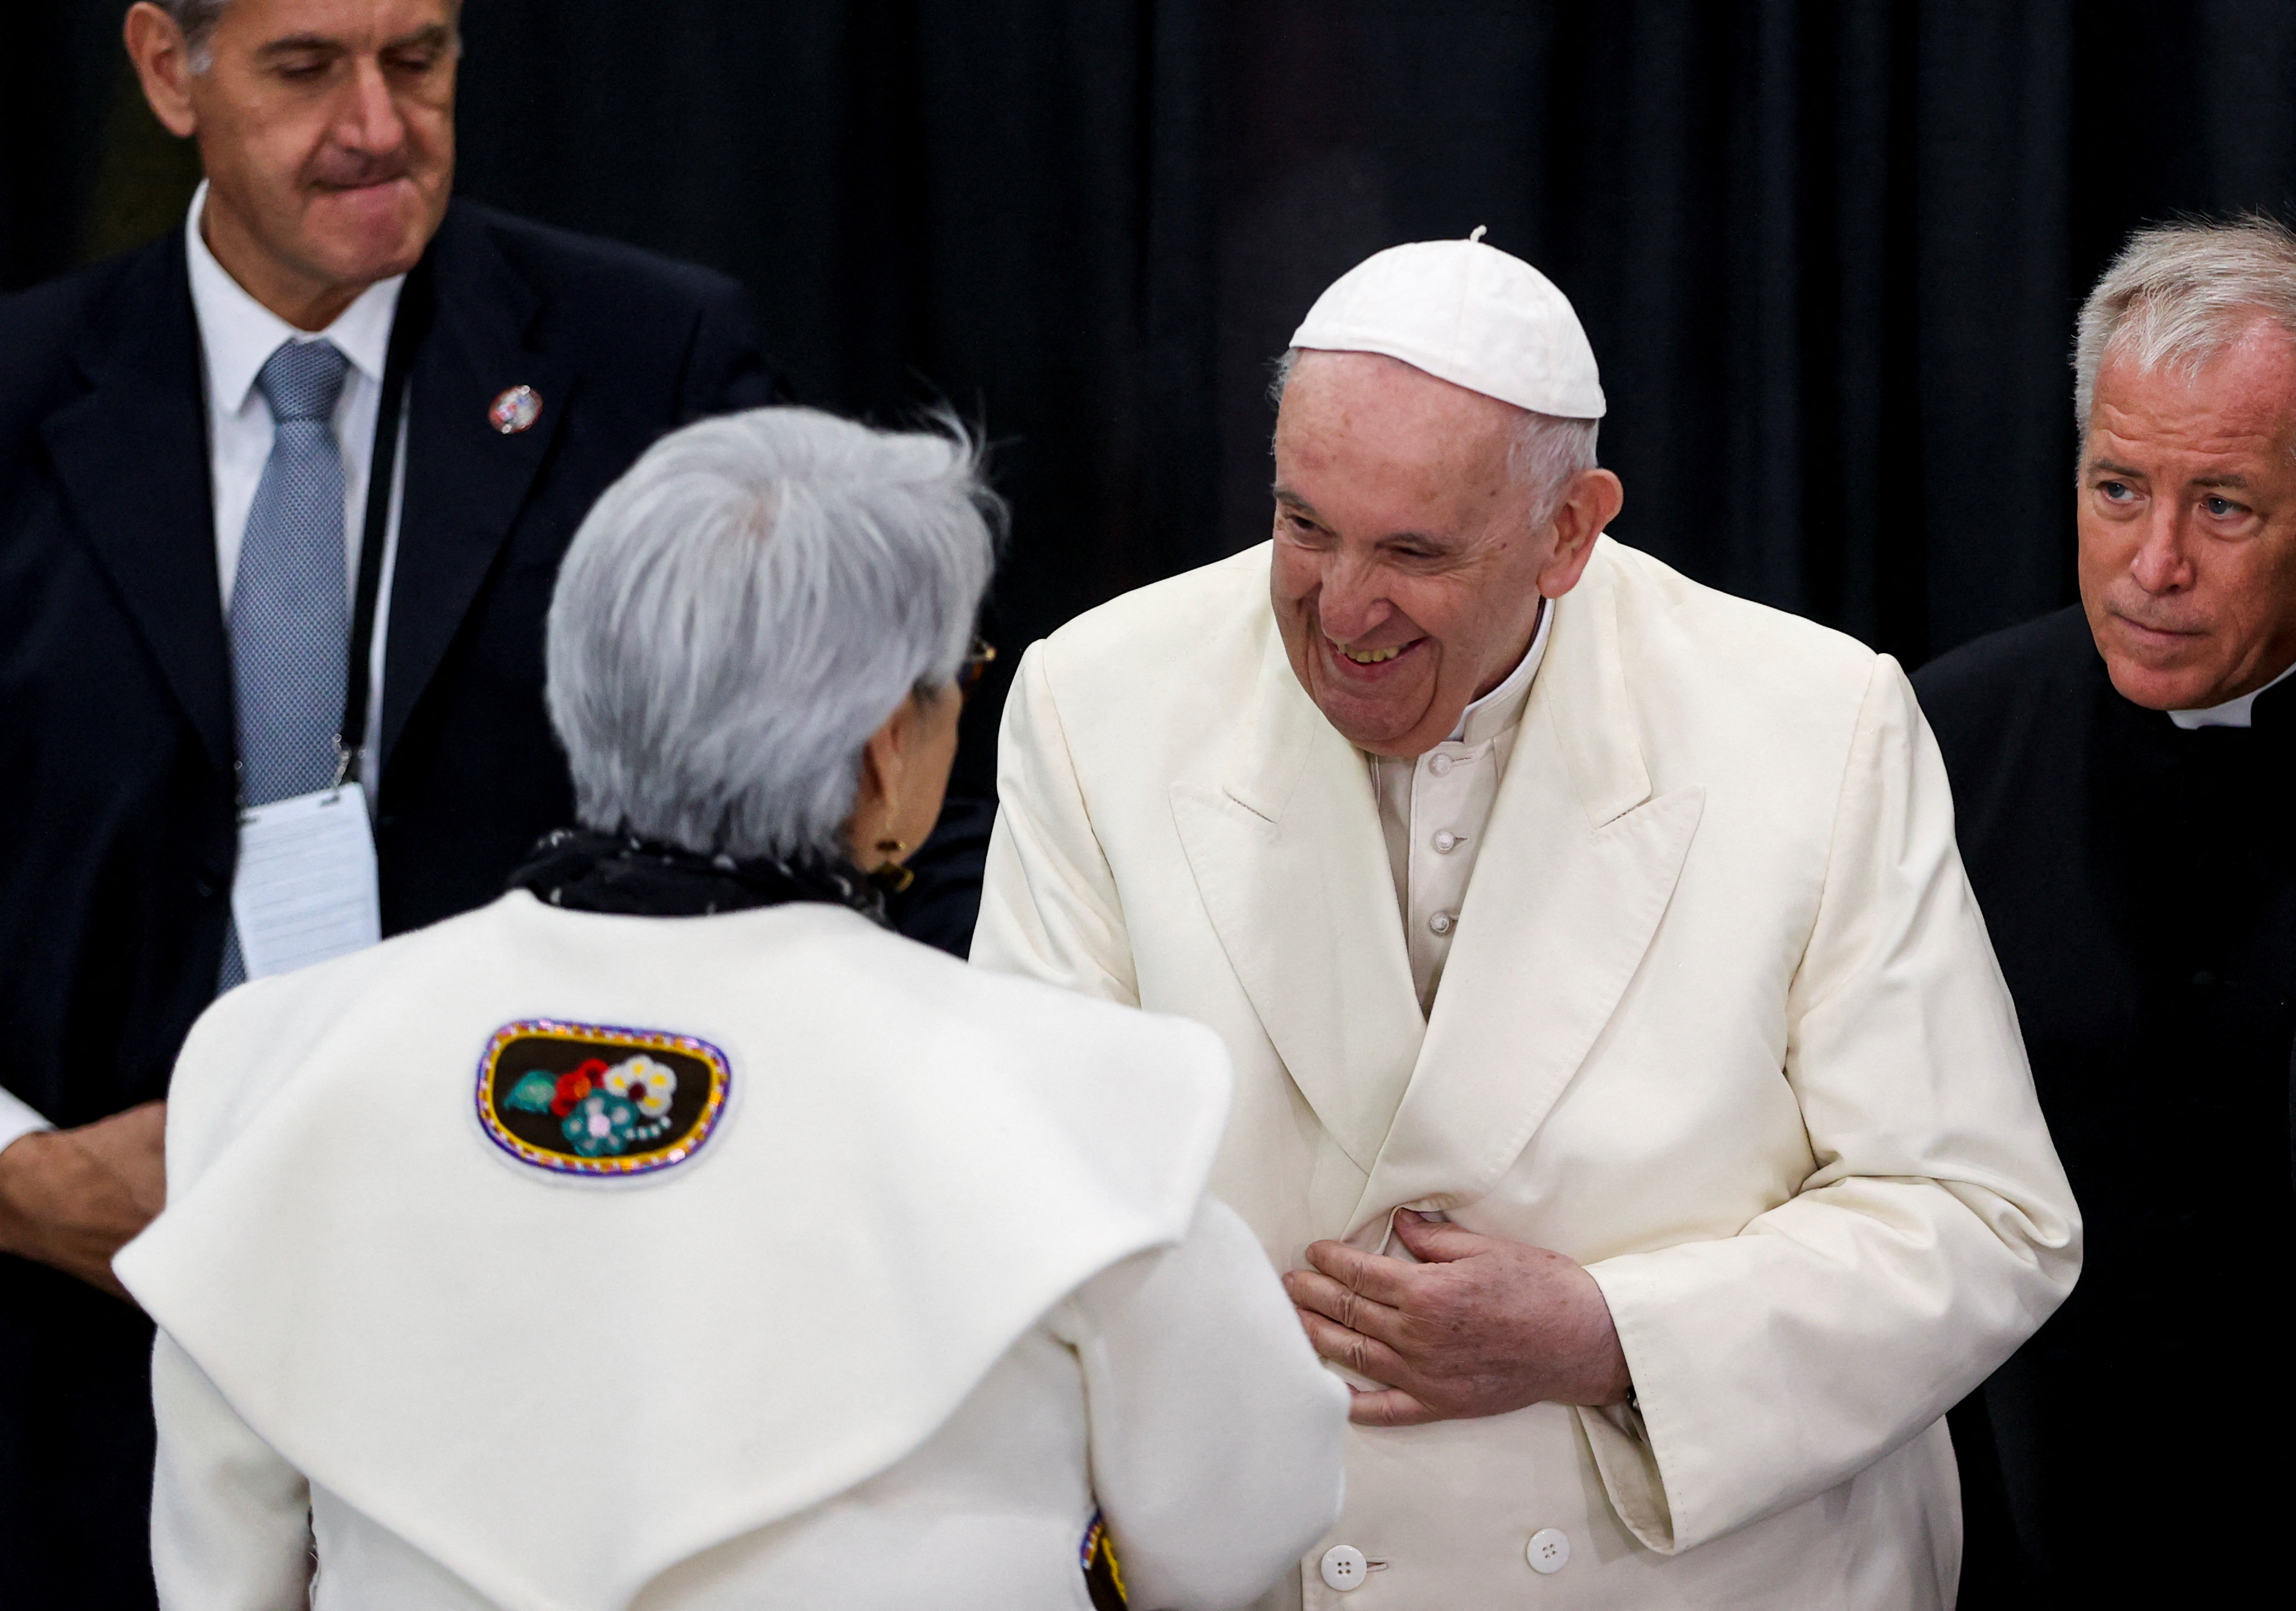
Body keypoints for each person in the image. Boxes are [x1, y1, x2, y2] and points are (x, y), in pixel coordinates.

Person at [972, 234, 2081, 1607]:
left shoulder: (1811, 719)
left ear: (1571, 529)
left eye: (1415, 551)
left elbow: (1980, 1215)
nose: (1342, 609)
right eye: (1304, 525)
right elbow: (1035, 1186)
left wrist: (1612, 1336)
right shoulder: (1100, 698)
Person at [111, 406, 1348, 1610]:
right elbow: (1236, 1525)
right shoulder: (1081, 1103)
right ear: (883, 745)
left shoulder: (275, 1062)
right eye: (952, 679)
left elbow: (225, 1567)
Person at [0, 1, 790, 1600]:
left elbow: (804, 820)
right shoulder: (15, 396)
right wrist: (15, 1177)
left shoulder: (652, 366)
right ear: (171, 69)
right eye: (306, 69)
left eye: (417, 60)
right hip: (83, 1345)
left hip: (541, 1325)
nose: (376, 124)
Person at [1915, 218, 2296, 1607]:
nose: (2155, 564)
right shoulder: (1938, 736)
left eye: (2227, 506)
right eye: (2119, 488)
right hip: (2015, 1524)